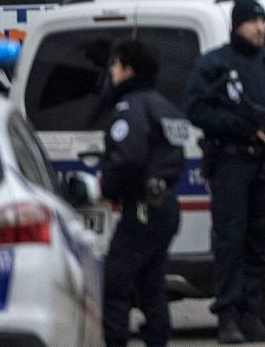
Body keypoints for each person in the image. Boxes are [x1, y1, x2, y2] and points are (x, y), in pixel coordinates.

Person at [183, 0, 265, 344]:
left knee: (258, 242)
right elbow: (195, 109)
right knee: (230, 241)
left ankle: (251, 314)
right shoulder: (215, 65)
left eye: (263, 21)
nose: (260, 28)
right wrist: (242, 128)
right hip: (232, 162)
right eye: (253, 22)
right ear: (237, 25)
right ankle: (228, 317)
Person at [101, 39, 188, 347]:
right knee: (151, 282)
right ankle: (157, 340)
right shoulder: (165, 106)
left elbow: (128, 159)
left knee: (114, 282)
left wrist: (107, 187)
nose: (111, 71)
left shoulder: (130, 109)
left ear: (128, 70)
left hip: (142, 208)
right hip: (166, 204)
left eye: (115, 65)